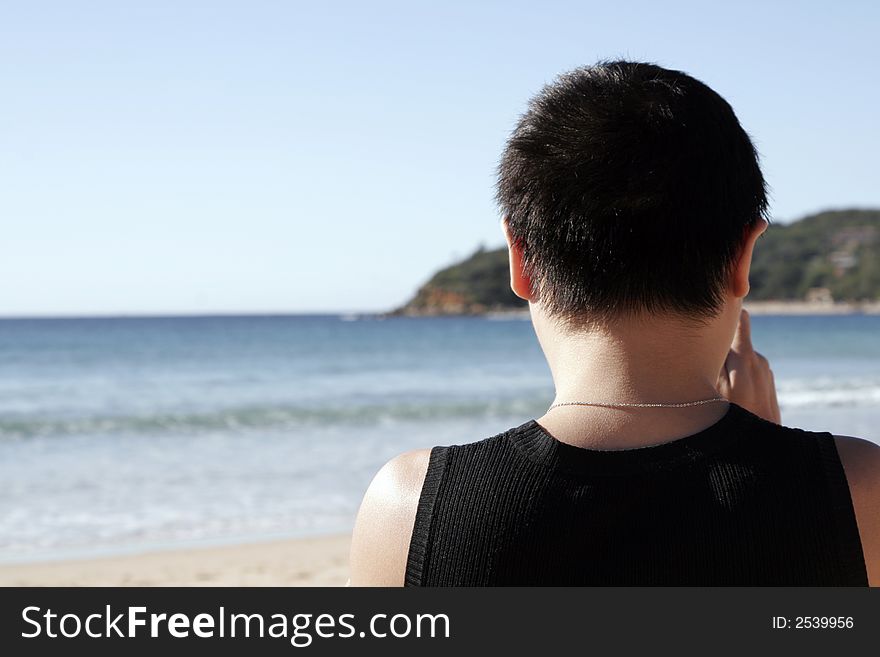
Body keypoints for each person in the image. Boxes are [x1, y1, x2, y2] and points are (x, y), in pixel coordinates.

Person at [348, 61, 879, 586]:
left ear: (521, 260)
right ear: (743, 258)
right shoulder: (861, 490)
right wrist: (781, 472)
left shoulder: (409, 511)